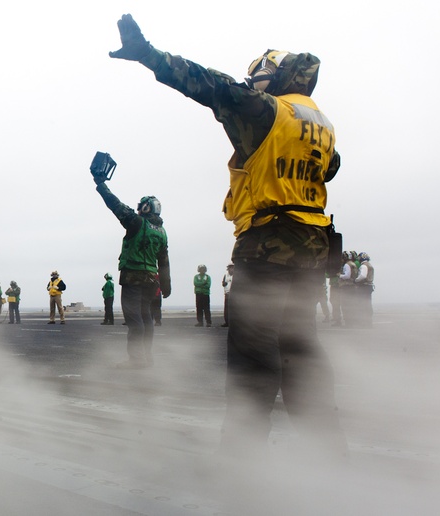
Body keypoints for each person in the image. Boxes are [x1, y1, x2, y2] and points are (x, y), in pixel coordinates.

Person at [109, 13, 347, 464]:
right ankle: (332, 463)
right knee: (301, 354)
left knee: (253, 360)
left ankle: (240, 469)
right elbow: (330, 168)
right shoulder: (323, 125)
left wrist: (147, 55)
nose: (253, 85)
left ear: (272, 78)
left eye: (259, 79)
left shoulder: (268, 111)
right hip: (312, 255)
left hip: (266, 250)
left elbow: (208, 85)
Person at [94, 176, 170, 368]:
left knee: (134, 318)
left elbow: (116, 205)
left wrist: (101, 184)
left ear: (145, 208)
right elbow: (164, 261)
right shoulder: (162, 232)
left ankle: (136, 360)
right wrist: (166, 286)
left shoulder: (137, 223)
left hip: (133, 277)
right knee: (146, 317)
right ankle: (147, 357)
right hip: (151, 280)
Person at [337, 251, 359, 327]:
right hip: (352, 286)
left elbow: (347, 276)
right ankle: (352, 321)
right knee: (351, 304)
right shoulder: (353, 264)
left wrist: (339, 275)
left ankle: (348, 322)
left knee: (345, 304)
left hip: (346, 286)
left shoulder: (347, 265)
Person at [352, 252, 375, 328]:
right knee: (368, 304)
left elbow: (362, 276)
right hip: (369, 286)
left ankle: (364, 322)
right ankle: (369, 321)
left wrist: (356, 280)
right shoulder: (370, 265)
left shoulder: (363, 266)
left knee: (362, 304)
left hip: (363, 287)